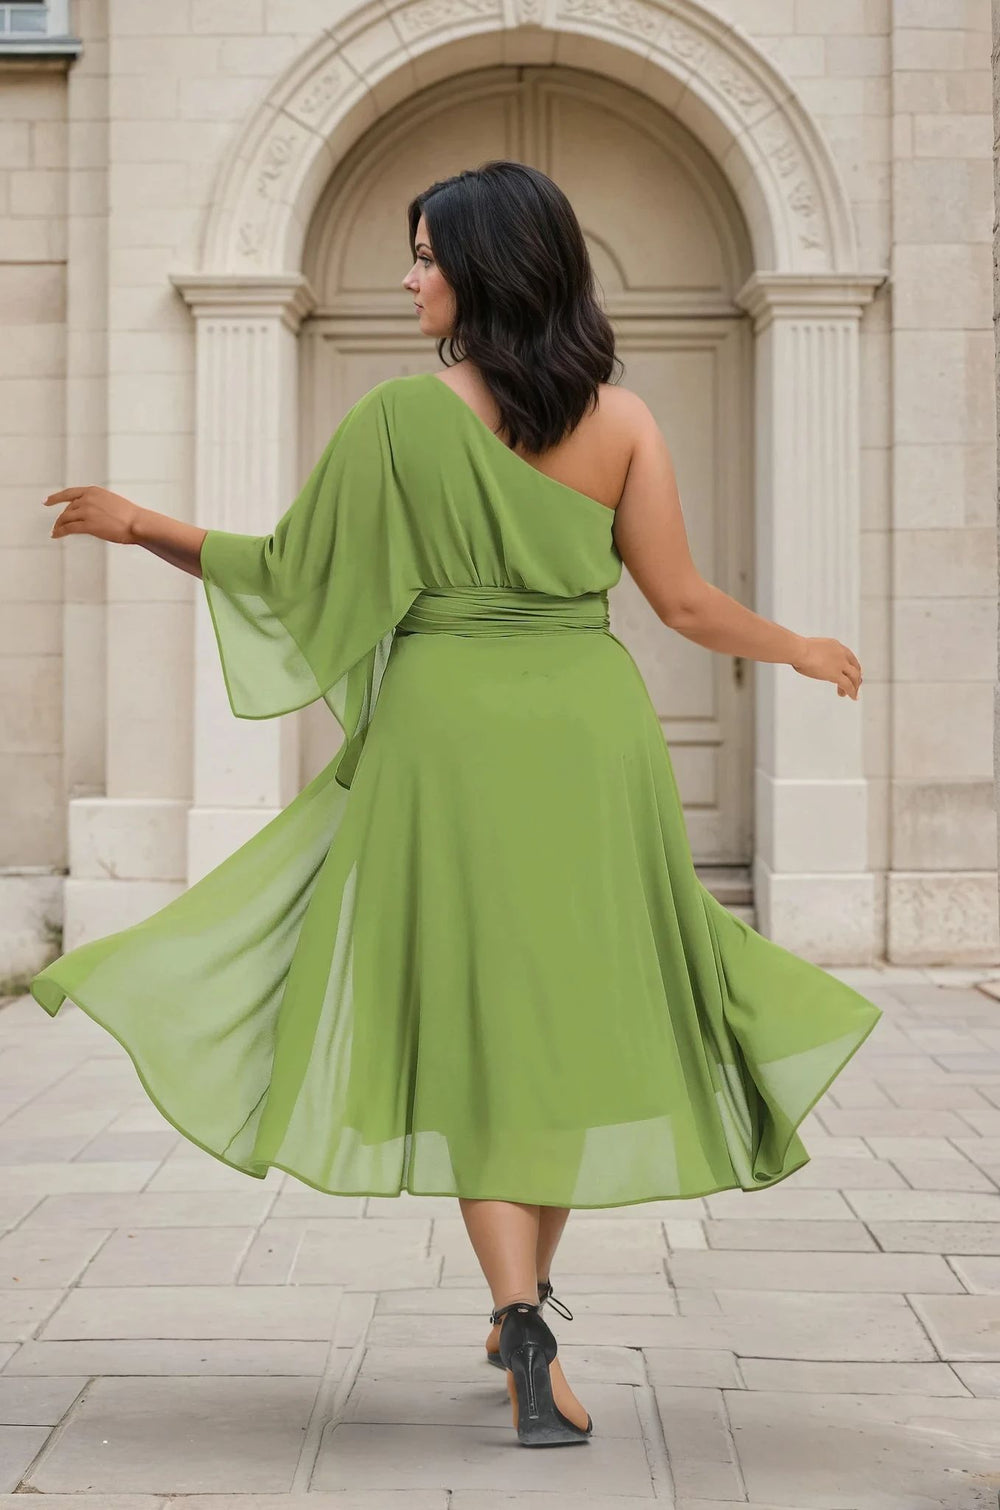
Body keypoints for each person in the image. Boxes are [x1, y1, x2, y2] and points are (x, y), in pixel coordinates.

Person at [32, 160, 882, 1448]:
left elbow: (289, 568)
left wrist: (133, 519)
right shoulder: (627, 420)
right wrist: (803, 646)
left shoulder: (398, 419)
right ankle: (529, 1309)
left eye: (425, 254)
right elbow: (686, 606)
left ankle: (518, 1319)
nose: (411, 276)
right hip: (590, 738)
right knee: (559, 1021)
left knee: (483, 1022)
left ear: (484, 269)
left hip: (450, 739)